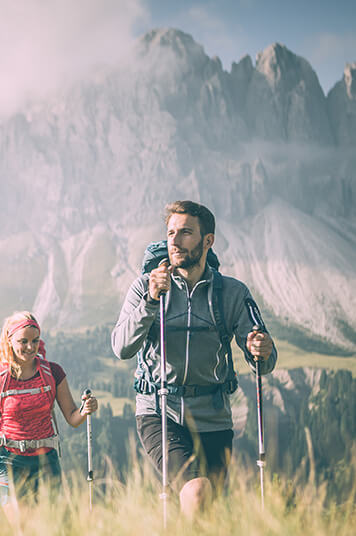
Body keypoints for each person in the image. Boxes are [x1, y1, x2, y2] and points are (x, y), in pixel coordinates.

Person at [112, 200, 277, 516]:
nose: (174, 240)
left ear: (208, 240)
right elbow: (121, 348)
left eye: (185, 232)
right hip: (160, 413)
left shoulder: (231, 293)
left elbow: (264, 361)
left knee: (204, 507)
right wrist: (150, 299)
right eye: (171, 232)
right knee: (198, 492)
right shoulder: (143, 287)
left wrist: (262, 349)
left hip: (214, 419)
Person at [0, 311, 97, 528]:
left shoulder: (53, 372)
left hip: (46, 459)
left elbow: (72, 417)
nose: (30, 347)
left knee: (52, 527)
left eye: (35, 341)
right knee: (22, 526)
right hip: (9, 461)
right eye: (23, 341)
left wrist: (85, 409)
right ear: (9, 340)